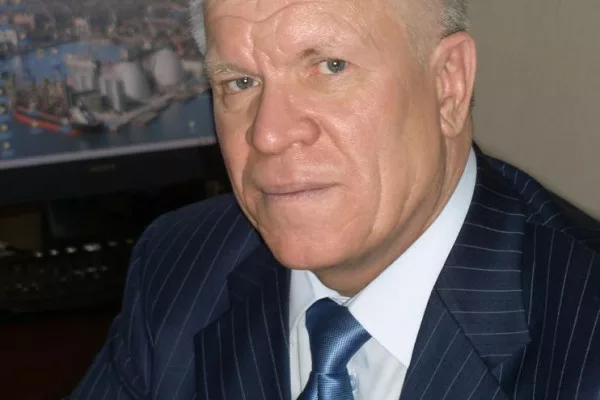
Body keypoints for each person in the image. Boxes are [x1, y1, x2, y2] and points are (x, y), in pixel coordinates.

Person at [71, 0, 600, 398]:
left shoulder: (584, 327)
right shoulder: (179, 262)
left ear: (448, 85)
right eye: (241, 81)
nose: (268, 134)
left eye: (330, 67)